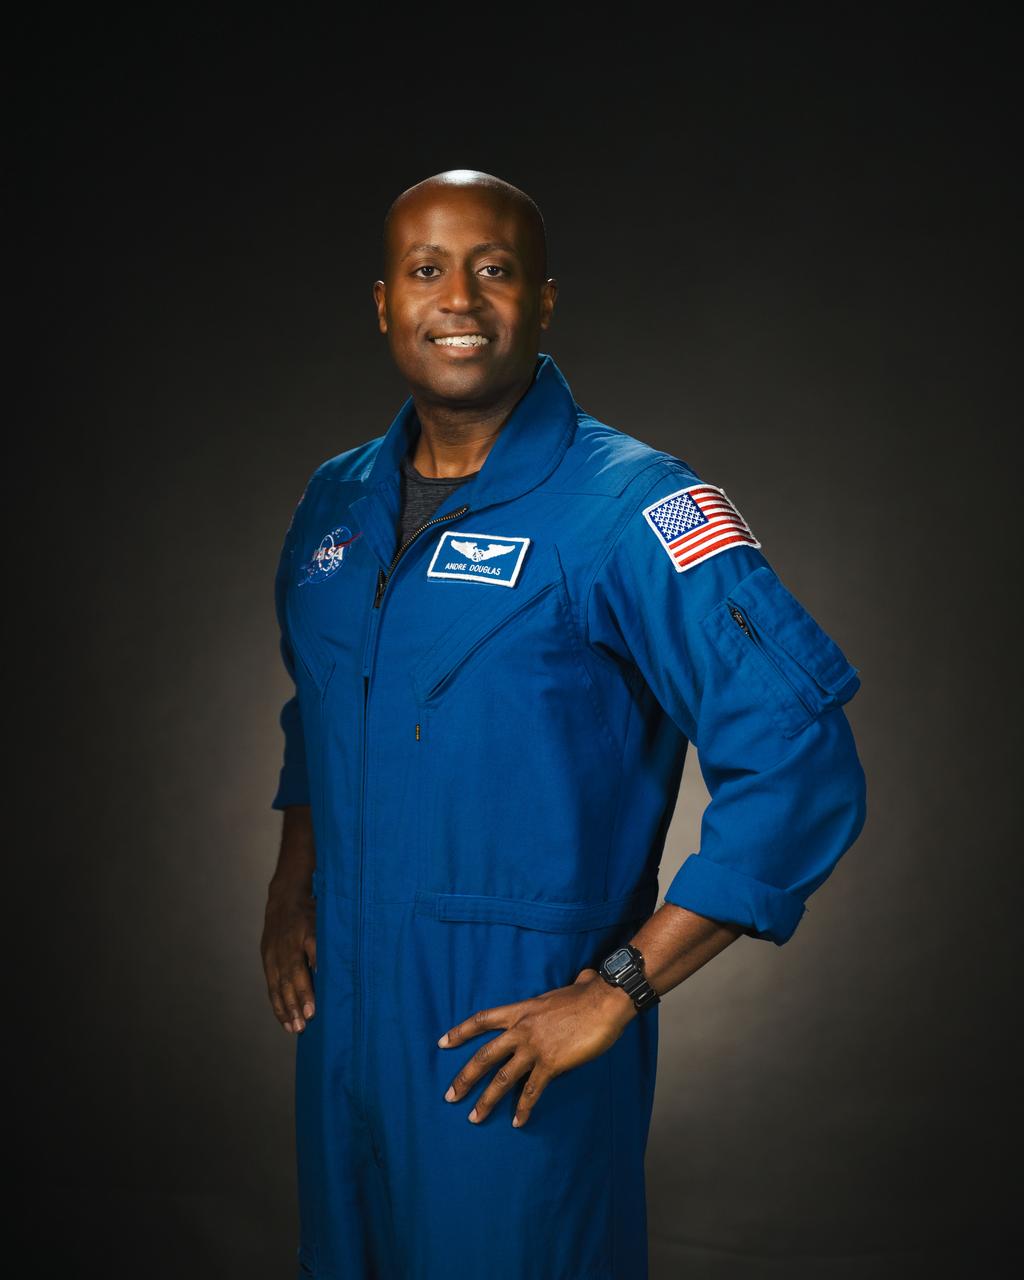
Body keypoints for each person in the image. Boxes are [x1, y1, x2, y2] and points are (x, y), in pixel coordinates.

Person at [260, 168, 867, 1280]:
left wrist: (617, 987)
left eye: (494, 269)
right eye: (426, 270)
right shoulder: (333, 504)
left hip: (512, 1041)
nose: (459, 297)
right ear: (384, 302)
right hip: (346, 1040)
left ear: (542, 301)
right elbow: (322, 699)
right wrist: (293, 873)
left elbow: (800, 757)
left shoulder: (629, 509)